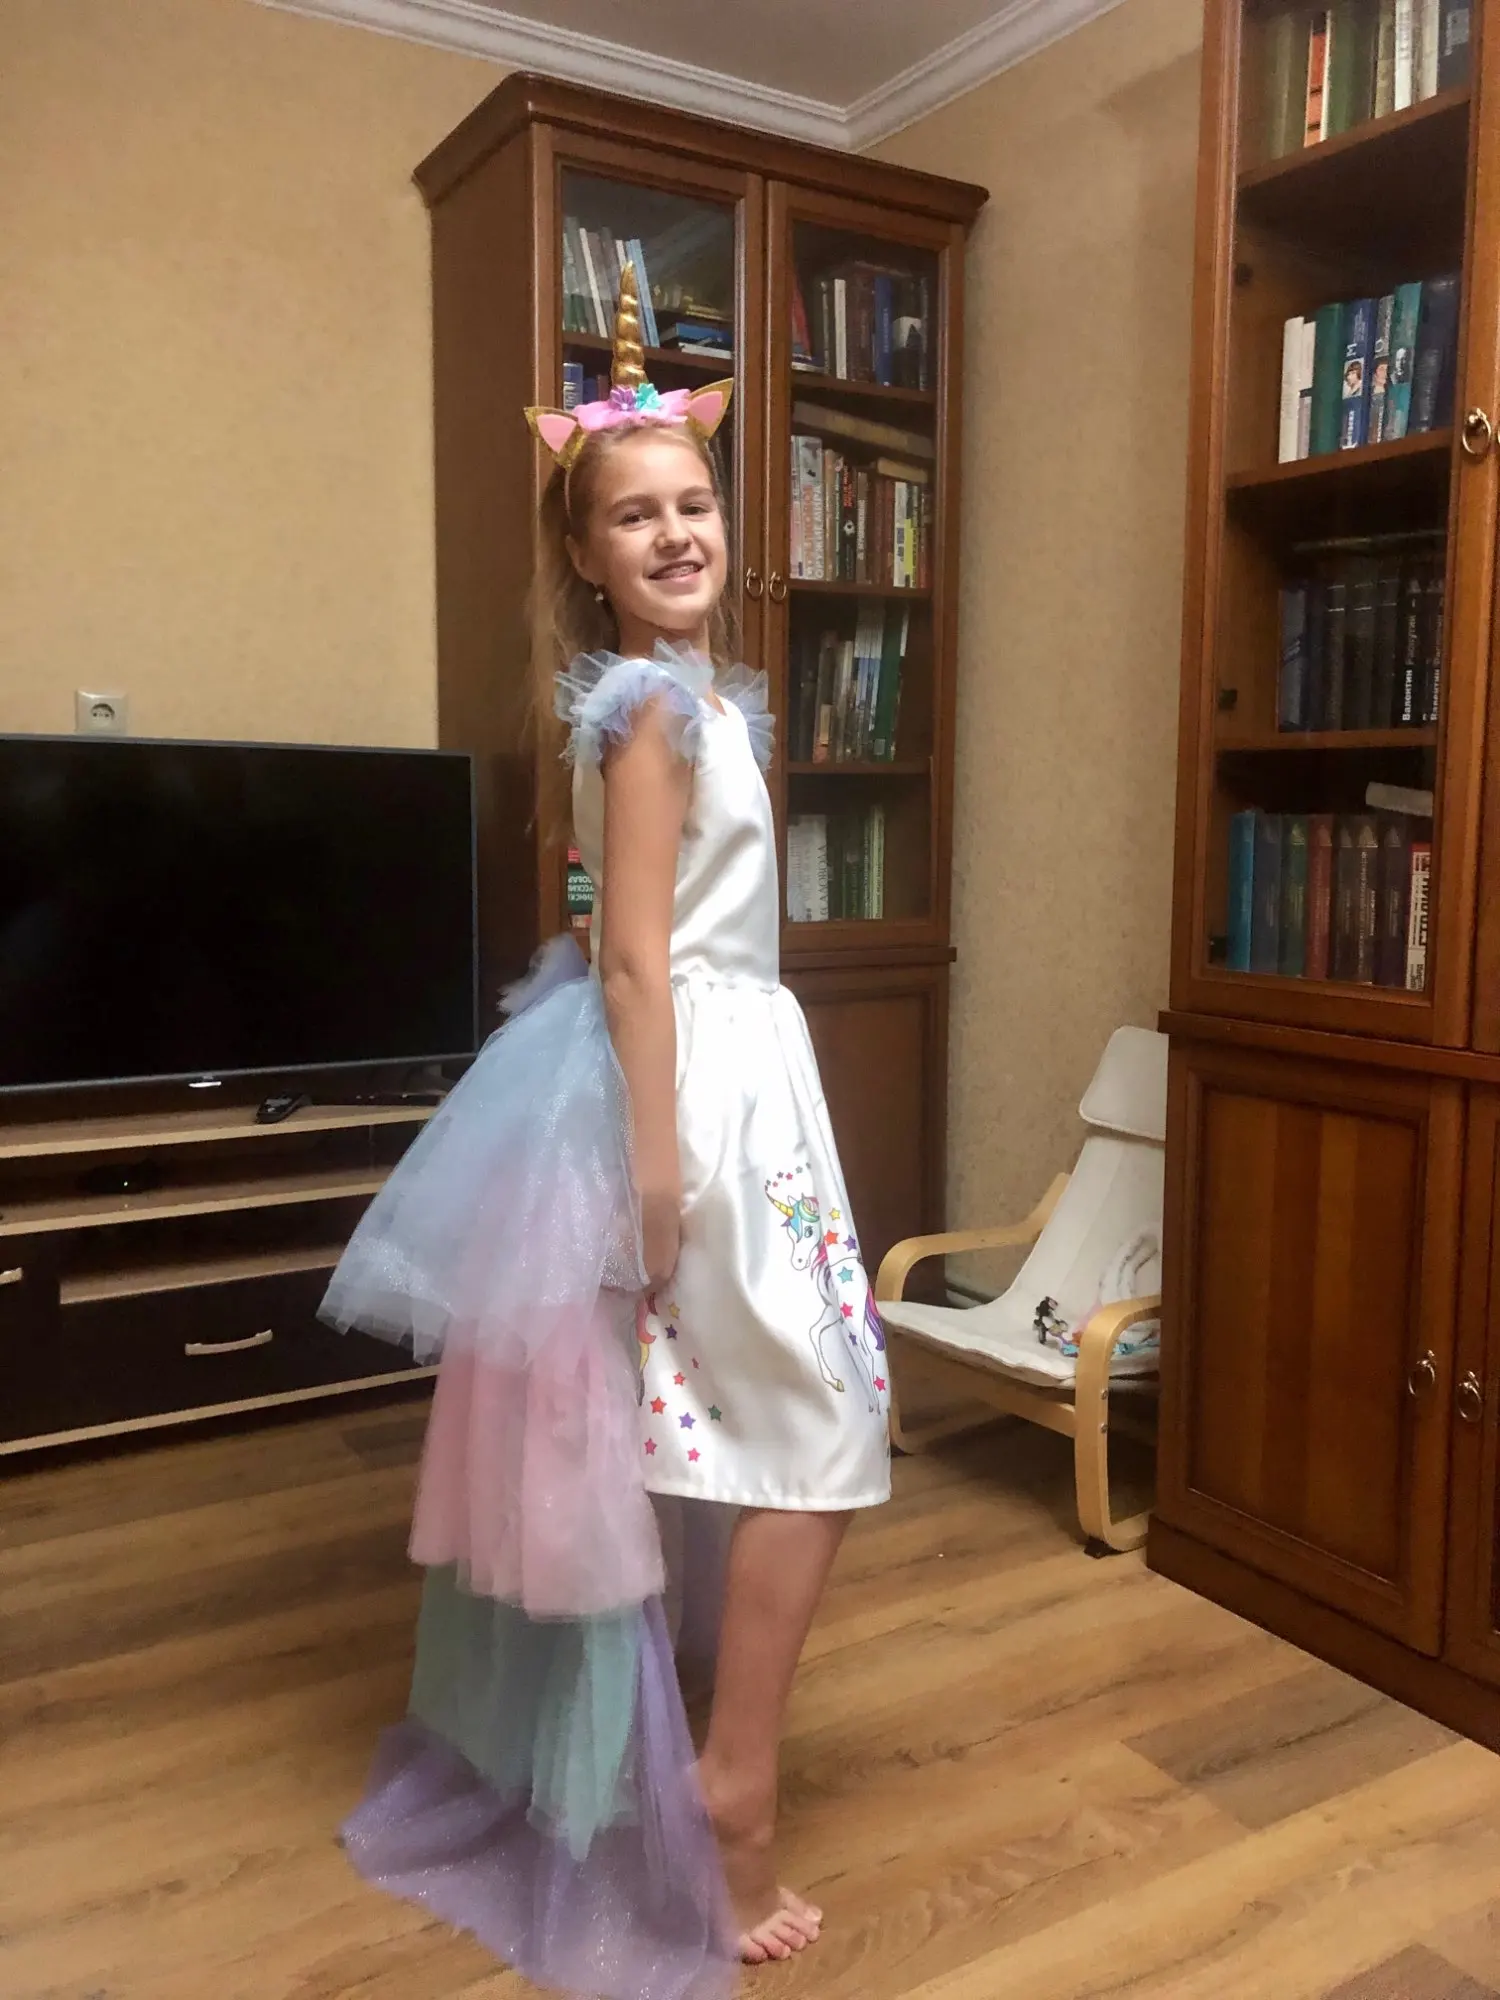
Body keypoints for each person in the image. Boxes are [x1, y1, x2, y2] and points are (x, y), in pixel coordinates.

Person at [320, 264, 890, 1997]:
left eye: (693, 503)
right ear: (584, 553)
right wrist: (652, 1161)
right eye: (633, 515)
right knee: (828, 1411)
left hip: (743, 1066)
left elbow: (616, 926)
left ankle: (688, 1762)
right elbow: (633, 955)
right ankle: (729, 1786)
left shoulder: (694, 701)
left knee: (764, 1408)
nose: (674, 534)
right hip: (698, 1089)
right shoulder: (643, 709)